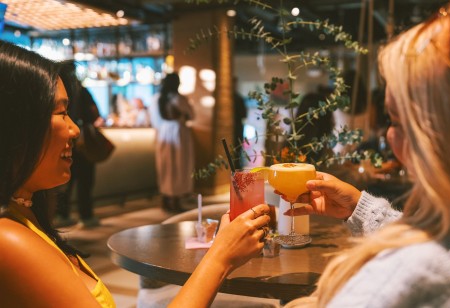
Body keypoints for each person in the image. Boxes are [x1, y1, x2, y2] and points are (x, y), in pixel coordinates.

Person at [281, 1, 450, 306]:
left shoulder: (406, 278)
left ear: (444, 137)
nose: (391, 136)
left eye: (395, 120)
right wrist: (358, 207)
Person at [0, 39, 271, 307]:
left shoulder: (23, 214)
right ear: (15, 124)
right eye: (60, 112)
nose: (74, 129)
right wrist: (221, 257)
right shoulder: (9, 240)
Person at [54, 62, 102, 228]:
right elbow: (95, 114)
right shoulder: (82, 91)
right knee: (85, 181)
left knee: (65, 182)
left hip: (64, 145)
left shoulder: (57, 91)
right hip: (82, 144)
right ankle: (86, 216)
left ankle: (62, 214)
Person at [149, 72, 195, 213]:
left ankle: (166, 198)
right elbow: (192, 115)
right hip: (178, 135)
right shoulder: (178, 99)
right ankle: (174, 200)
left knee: (166, 167)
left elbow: (154, 120)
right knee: (178, 167)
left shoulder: (156, 99)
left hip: (163, 134)